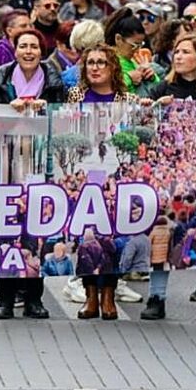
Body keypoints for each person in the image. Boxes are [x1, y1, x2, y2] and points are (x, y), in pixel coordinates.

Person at [138, 35, 196, 323]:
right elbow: (143, 121)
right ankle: (156, 297)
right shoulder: (163, 88)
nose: (177, 56)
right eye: (176, 51)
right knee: (162, 235)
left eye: (185, 52)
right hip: (169, 179)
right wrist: (151, 106)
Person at [66, 44, 131, 320]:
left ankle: (109, 294)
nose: (95, 67)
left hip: (115, 175)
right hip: (86, 173)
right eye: (90, 62)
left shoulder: (126, 99)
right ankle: (90, 294)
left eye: (101, 62)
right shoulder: (76, 96)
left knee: (111, 236)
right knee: (87, 237)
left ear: (112, 67)